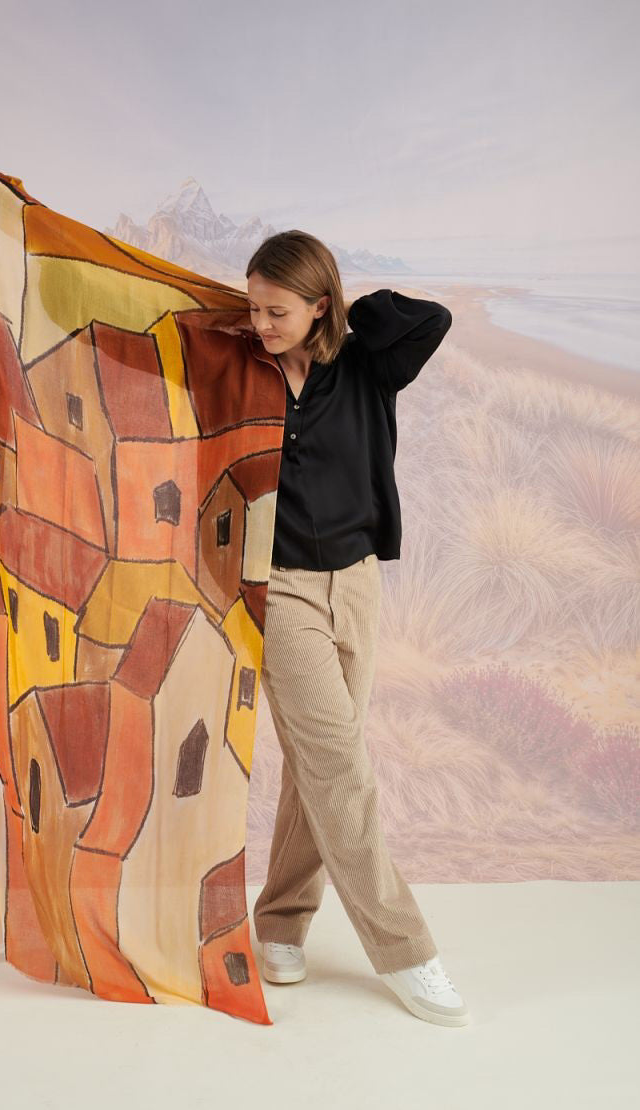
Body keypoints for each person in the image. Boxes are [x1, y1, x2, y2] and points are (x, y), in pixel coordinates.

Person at [245, 230, 470, 1028]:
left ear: (318, 306)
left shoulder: (368, 365)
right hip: (281, 594)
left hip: (359, 585)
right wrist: (253, 326)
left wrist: (352, 312)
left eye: (278, 310)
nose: (261, 322)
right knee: (341, 766)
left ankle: (278, 921)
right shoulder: (242, 371)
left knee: (317, 759)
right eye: (253, 307)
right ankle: (408, 951)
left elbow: (430, 319)